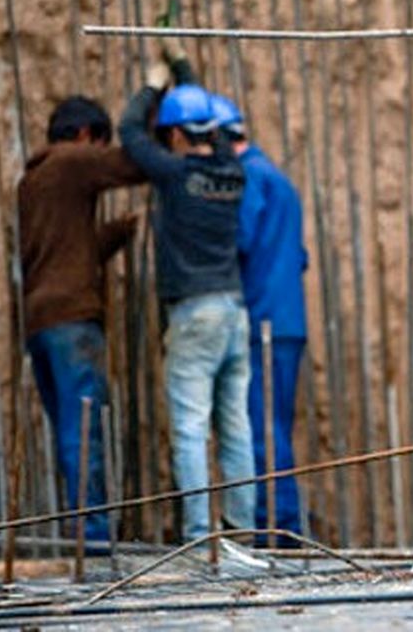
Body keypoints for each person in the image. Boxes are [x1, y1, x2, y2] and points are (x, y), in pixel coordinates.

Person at [118, 44, 256, 542]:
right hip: (233, 311)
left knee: (191, 429)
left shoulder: (177, 175)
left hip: (195, 313)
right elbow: (207, 121)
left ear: (176, 134)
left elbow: (130, 133)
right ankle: (240, 529)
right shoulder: (231, 170)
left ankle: (200, 535)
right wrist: (183, 72)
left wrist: (155, 85)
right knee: (236, 427)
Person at [20, 97, 144, 542]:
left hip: (39, 320)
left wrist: (116, 234)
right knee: (84, 429)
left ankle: (82, 530)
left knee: (68, 430)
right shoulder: (72, 161)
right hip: (72, 319)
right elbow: (133, 165)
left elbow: (67, 250)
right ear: (86, 136)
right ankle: (90, 535)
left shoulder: (33, 179)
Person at [211, 95, 308, 540]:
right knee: (275, 425)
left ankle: (278, 529)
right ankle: (281, 524)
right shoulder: (279, 179)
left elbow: (239, 239)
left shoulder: (248, 176)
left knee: (262, 429)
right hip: (288, 319)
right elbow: (299, 256)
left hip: (262, 321)